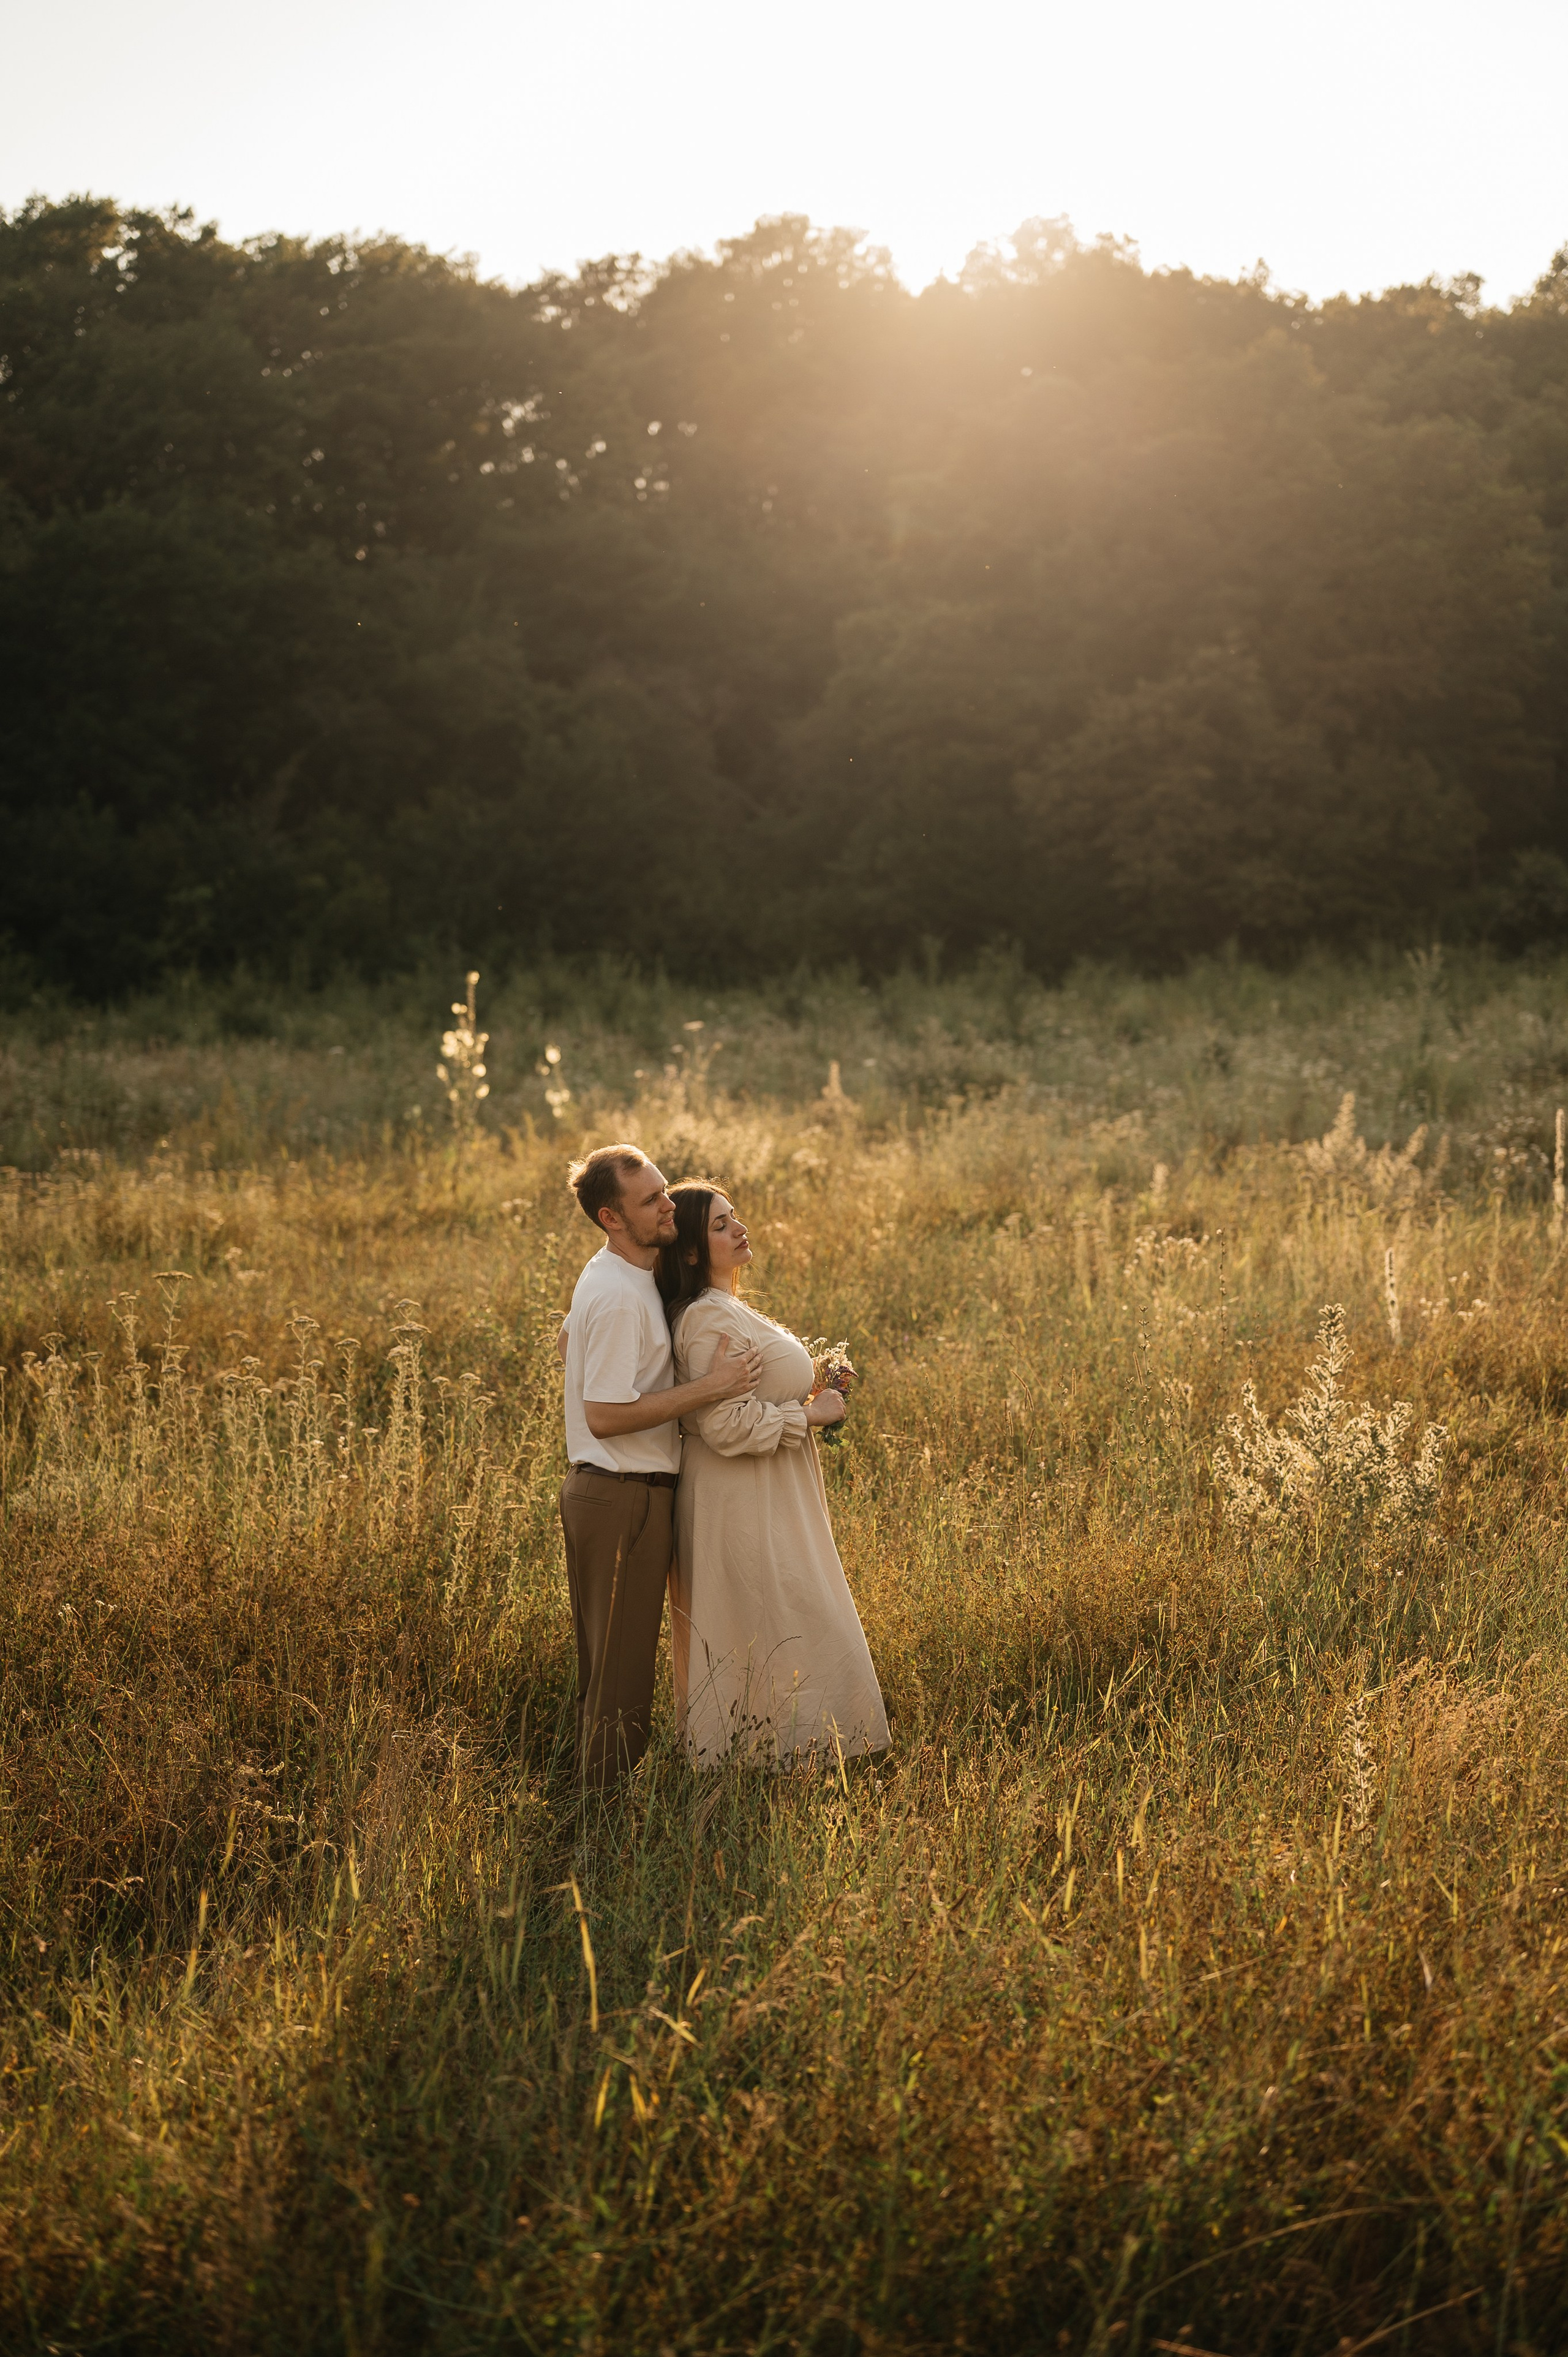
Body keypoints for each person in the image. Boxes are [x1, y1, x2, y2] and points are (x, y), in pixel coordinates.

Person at [659, 1179, 889, 1767]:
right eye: (718, 1225)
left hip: (767, 1492)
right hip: (740, 1501)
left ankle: (790, 1755)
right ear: (688, 1251)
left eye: (733, 1217)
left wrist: (811, 1392)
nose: (739, 1228)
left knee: (781, 1620)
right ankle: (766, 1759)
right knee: (773, 1622)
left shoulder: (725, 1307)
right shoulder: (705, 1321)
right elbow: (724, 1426)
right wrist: (809, 1414)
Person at [560, 1145, 763, 1789]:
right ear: (611, 1217)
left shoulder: (617, 1275)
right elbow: (605, 1414)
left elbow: (582, 1342)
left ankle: (593, 1810)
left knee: (608, 1671)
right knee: (619, 1682)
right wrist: (716, 1386)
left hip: (619, 1493)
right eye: (649, 1200)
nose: (668, 1203)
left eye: (664, 1189)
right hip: (623, 1495)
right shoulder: (619, 1294)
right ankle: (601, 1829)